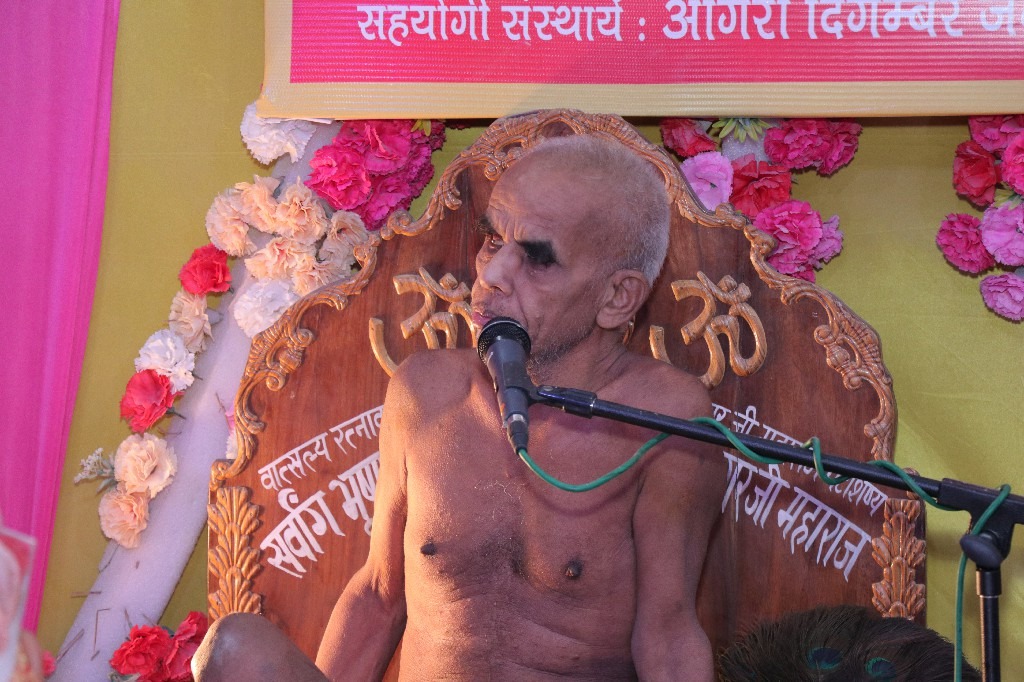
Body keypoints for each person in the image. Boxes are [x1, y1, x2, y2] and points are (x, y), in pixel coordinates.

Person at [193, 133, 726, 681]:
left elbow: (668, 631)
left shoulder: (666, 419)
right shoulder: (425, 390)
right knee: (235, 647)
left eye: (538, 259)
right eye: (493, 240)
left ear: (617, 297)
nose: (491, 275)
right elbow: (379, 594)